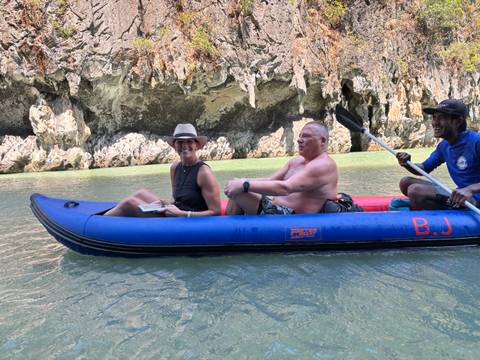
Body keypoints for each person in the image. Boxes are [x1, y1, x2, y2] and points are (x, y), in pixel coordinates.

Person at [105, 123, 221, 217]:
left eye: (189, 141)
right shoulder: (175, 168)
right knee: (140, 193)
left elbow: (216, 211)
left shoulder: (204, 172)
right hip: (175, 211)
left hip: (186, 218)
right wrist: (165, 203)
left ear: (196, 145)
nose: (184, 145)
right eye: (180, 142)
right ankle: (105, 216)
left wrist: (182, 214)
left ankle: (98, 222)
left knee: (129, 203)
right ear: (174, 146)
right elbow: (179, 200)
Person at [223, 121, 338, 215]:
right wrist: (243, 181)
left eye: (306, 136)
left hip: (292, 217)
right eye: (300, 136)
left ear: (322, 141)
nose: (299, 140)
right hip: (276, 209)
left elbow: (286, 188)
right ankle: (233, 232)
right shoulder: (296, 161)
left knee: (239, 192)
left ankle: (227, 235)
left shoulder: (323, 165)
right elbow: (271, 181)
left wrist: (245, 185)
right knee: (238, 186)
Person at [396, 99, 480, 209]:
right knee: (405, 182)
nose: (435, 122)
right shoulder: (444, 146)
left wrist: (470, 189)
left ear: (458, 121)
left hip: (475, 199)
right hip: (461, 195)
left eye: (441, 118)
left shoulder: (476, 141)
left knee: (415, 190)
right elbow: (424, 168)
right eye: (434, 117)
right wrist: (407, 163)